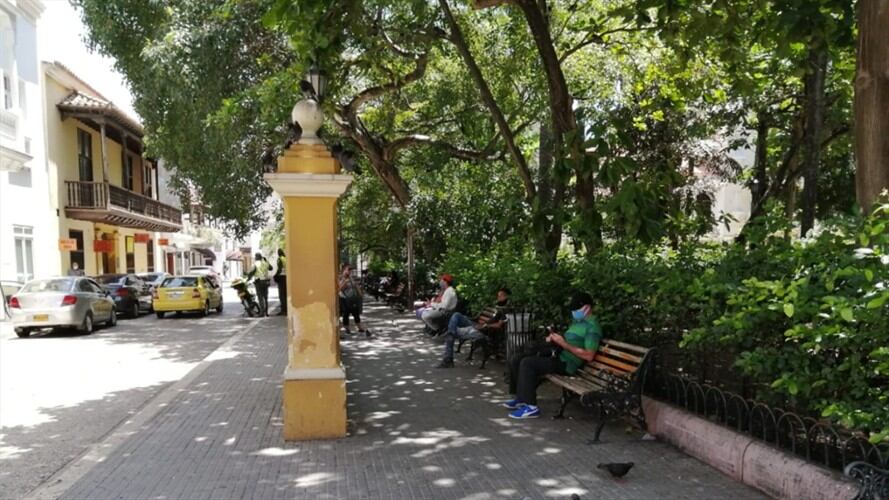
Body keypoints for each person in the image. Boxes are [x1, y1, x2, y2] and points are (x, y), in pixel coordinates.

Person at [503, 291, 602, 419]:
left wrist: (563, 343)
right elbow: (568, 341)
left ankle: (531, 407)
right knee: (516, 359)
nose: (573, 312)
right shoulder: (578, 322)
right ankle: (521, 398)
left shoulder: (593, 327)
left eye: (576, 309)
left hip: (567, 364)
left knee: (527, 363)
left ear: (587, 307)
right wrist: (554, 339)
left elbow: (589, 355)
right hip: (558, 356)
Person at [437, 287, 510, 368]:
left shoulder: (505, 310)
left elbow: (499, 325)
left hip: (482, 331)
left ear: (506, 296)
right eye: (498, 296)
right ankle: (451, 333)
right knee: (456, 315)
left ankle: (448, 359)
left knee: (450, 333)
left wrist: (486, 325)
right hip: (477, 325)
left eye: (500, 296)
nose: (498, 297)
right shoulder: (498, 307)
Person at [338, 264, 370, 338]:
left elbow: (355, 286)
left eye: (350, 270)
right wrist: (345, 282)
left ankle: (360, 328)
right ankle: (347, 328)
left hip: (353, 298)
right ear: (344, 270)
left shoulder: (350, 277)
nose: (350, 271)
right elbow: (339, 289)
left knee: (356, 313)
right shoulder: (341, 278)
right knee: (346, 314)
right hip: (345, 298)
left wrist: (360, 294)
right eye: (348, 270)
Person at [246, 252, 271, 316]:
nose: (255, 257)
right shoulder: (265, 263)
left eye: (255, 256)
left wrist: (248, 278)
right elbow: (271, 268)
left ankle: (262, 313)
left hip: (259, 282)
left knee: (260, 297)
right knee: (265, 297)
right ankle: (266, 312)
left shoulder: (256, 263)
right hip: (266, 281)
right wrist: (266, 261)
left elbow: (252, 272)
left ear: (257, 257)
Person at [274, 248, 287, 316]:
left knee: (281, 295)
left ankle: (283, 310)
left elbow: (279, 268)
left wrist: (276, 275)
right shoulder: (285, 258)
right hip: (286, 277)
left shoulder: (280, 259)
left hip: (281, 277)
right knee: (285, 294)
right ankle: (286, 309)